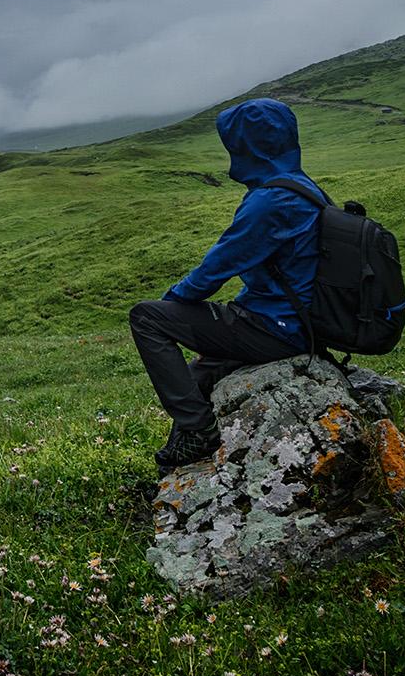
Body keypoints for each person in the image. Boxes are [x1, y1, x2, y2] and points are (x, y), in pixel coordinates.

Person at [128, 97, 325, 473]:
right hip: (292, 324)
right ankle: (181, 457)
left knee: (146, 318)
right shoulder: (300, 187)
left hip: (276, 330)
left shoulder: (271, 201)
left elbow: (216, 269)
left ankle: (198, 431)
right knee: (199, 374)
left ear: (247, 145)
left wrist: (170, 306)